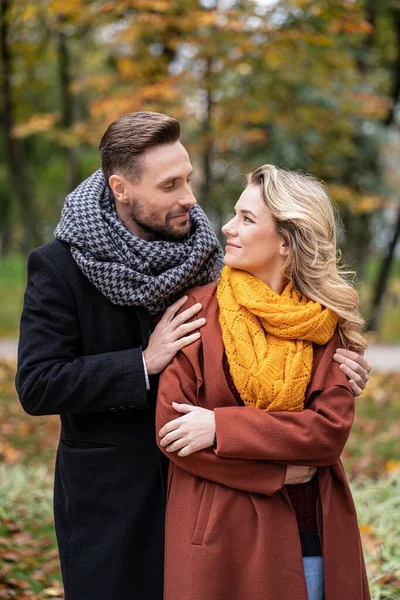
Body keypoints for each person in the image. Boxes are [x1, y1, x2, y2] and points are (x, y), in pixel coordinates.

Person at [16, 112, 370, 600]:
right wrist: (143, 362)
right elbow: (37, 384)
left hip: (217, 496)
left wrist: (334, 367)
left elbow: (286, 327)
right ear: (121, 188)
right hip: (115, 498)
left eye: (188, 178)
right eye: (170, 185)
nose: (190, 198)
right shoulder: (60, 267)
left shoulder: (204, 252)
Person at [156, 164, 371, 600]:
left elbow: (326, 435)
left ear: (287, 243)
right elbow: (173, 432)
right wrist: (276, 471)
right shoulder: (198, 312)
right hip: (217, 541)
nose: (228, 226)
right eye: (235, 213)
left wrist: (220, 428)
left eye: (247, 219)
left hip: (305, 534)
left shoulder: (327, 323)